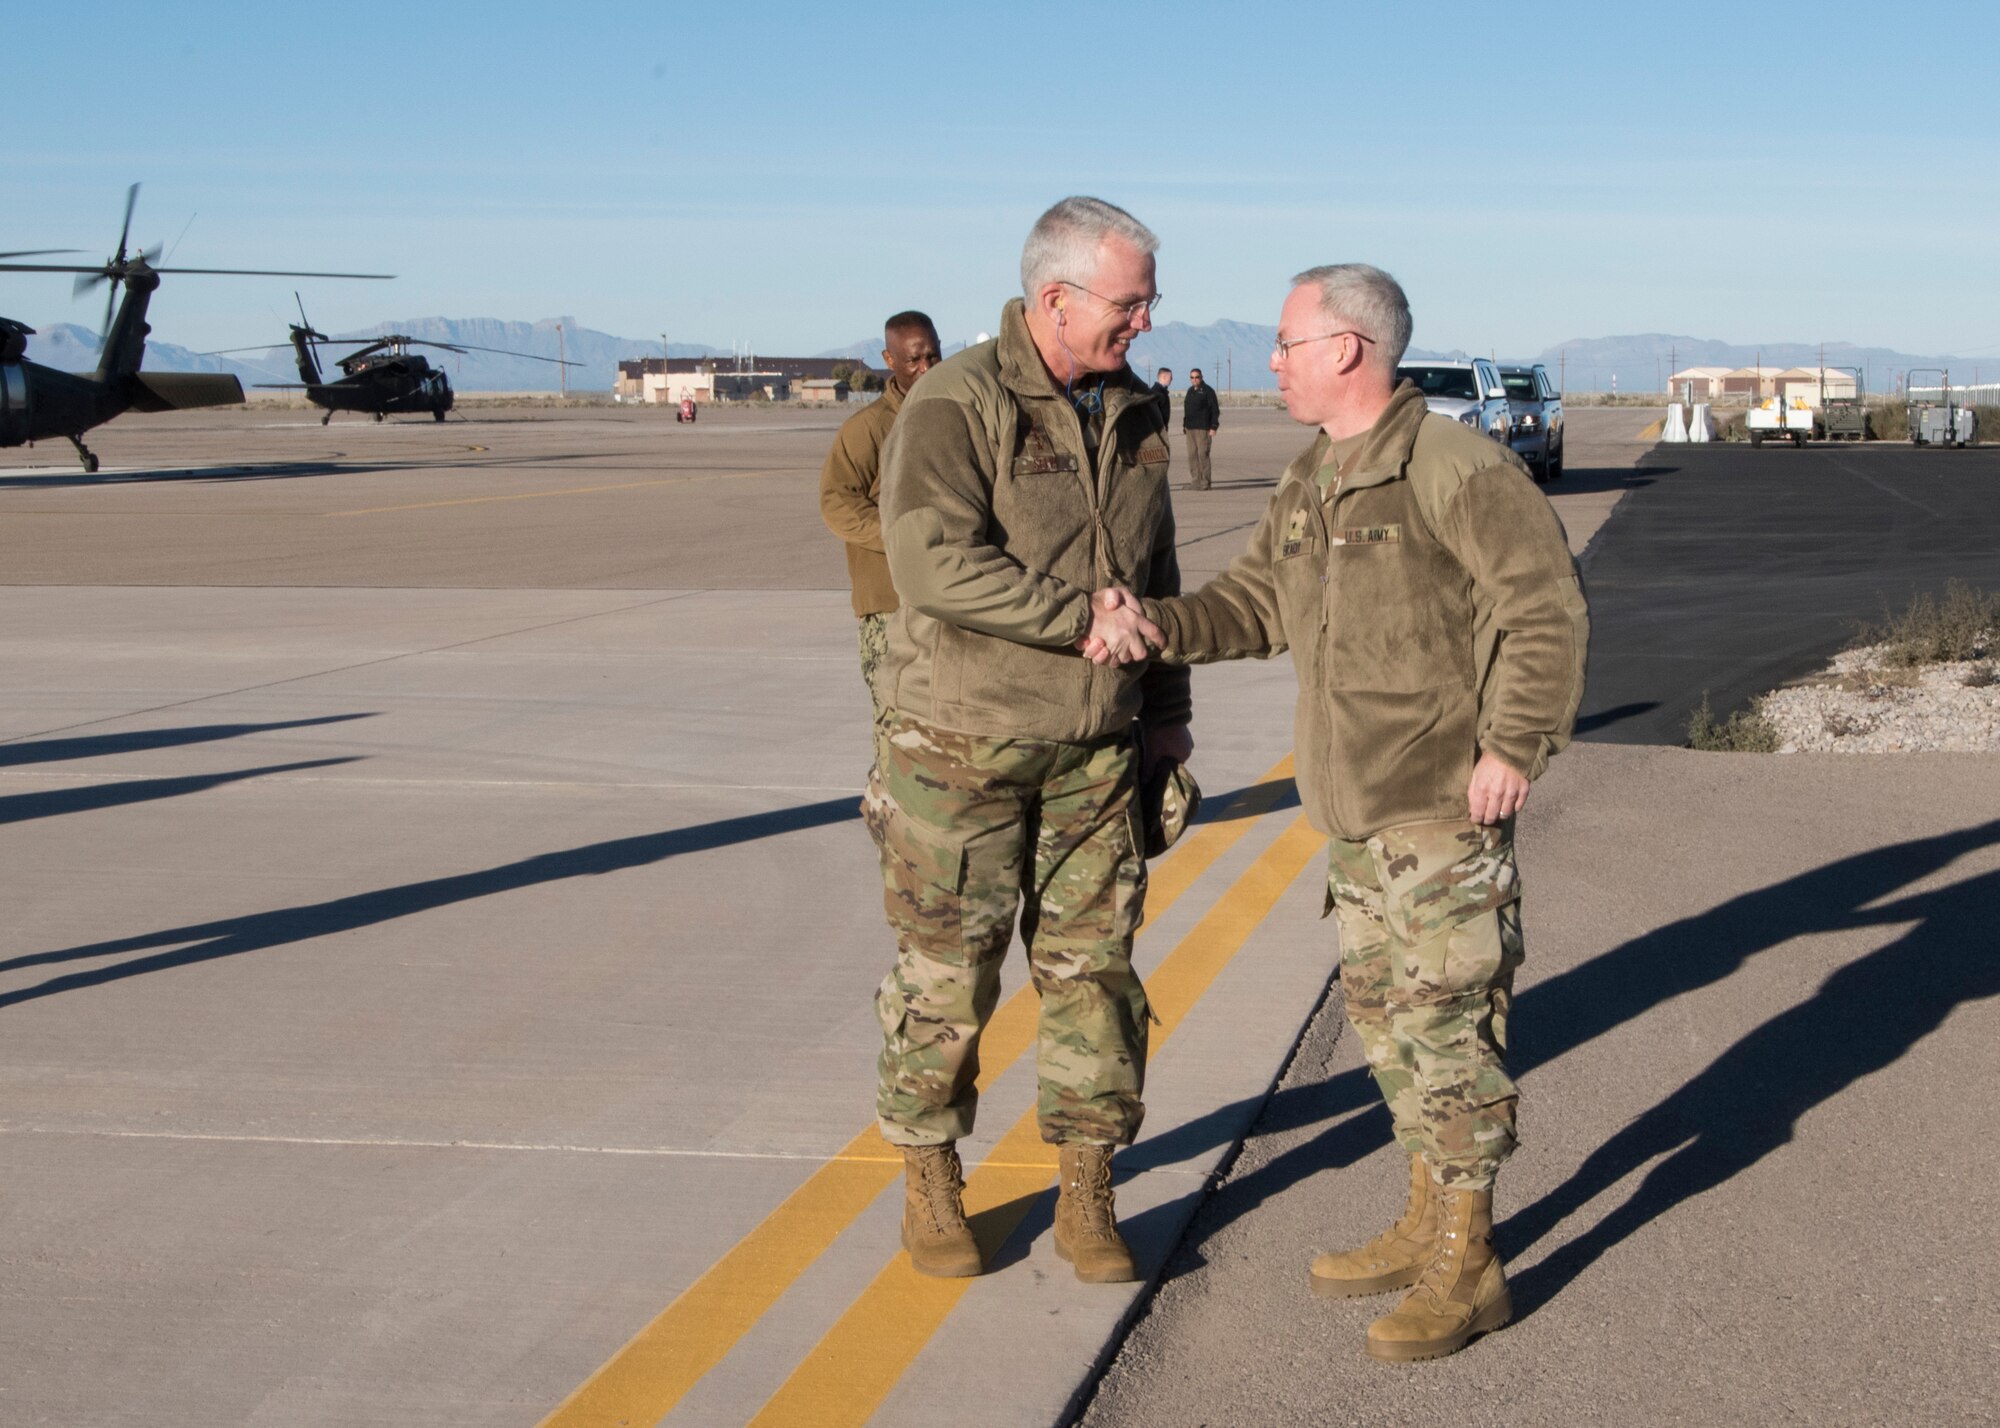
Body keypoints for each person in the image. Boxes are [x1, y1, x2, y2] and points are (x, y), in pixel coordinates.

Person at [1089, 264, 1587, 1360]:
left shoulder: (1454, 469)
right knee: (1393, 1034)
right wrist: (1155, 626)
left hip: (1434, 813)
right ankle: (1425, 1220)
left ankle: (1470, 1264)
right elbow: (1255, 604)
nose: (1269, 362)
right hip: (1353, 819)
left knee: (1450, 1036)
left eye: (1283, 343)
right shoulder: (1315, 475)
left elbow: (1541, 611)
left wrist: (1512, 744)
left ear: (1347, 349)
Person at [871, 196, 1188, 1284]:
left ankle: (1087, 1185)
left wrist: (1168, 716)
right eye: (1128, 302)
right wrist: (1075, 619)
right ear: (1055, 298)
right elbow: (930, 564)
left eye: (1146, 300)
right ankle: (928, 1176)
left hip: (1097, 749)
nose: (1143, 321)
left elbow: (1155, 580)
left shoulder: (1137, 413)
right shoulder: (957, 404)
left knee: (1093, 974)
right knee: (947, 974)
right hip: (961, 742)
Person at [818, 312, 943, 759]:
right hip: (888, 608)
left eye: (933, 355)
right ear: (890, 359)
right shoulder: (867, 429)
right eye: (914, 360)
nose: (927, 367)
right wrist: (901, 539)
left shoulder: (955, 416)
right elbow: (837, 504)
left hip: (949, 603)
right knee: (895, 727)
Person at [1182, 367, 1219, 489]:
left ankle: (1205, 482)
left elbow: (1215, 410)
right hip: (1190, 428)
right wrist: (1184, 425)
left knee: (1203, 454)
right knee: (1192, 455)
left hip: (1203, 428)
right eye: (1192, 377)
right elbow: (1187, 410)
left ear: (1201, 377)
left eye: (1197, 377)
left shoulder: (1208, 391)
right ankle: (1195, 481)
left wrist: (1213, 426)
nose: (1194, 379)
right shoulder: (1190, 391)